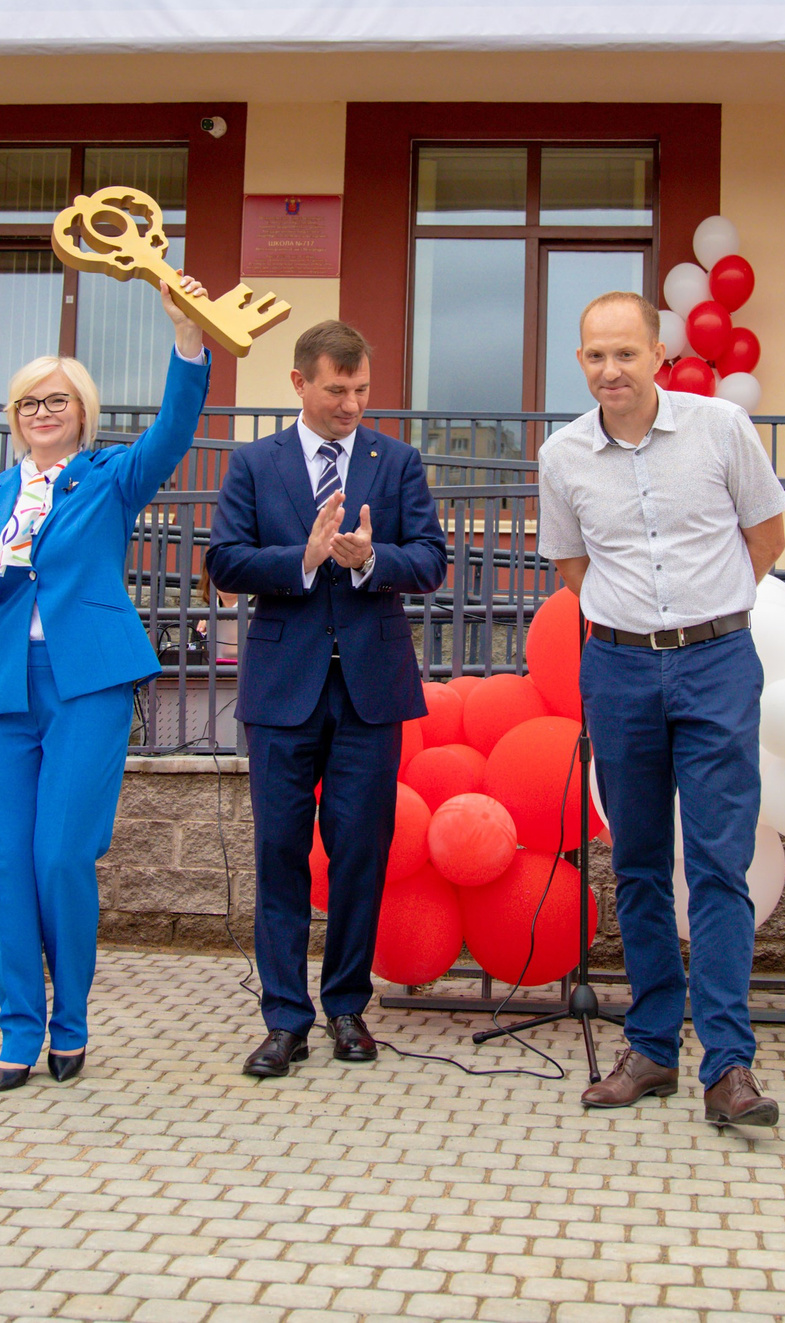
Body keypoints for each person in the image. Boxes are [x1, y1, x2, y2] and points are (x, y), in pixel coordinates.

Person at [0, 276, 212, 1093]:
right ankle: (19, 1029)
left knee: (62, 854)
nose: (42, 413)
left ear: (82, 410)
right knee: (8, 862)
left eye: (56, 400)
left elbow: (173, 432)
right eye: (29, 402)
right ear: (14, 414)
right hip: (4, 683)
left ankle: (72, 1021)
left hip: (88, 678)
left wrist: (187, 342)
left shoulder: (108, 477)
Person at [537, 291, 785, 1129]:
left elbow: (767, 536)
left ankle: (728, 1065)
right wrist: (638, 625)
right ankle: (651, 1049)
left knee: (718, 864)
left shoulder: (721, 428)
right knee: (639, 864)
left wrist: (702, 616)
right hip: (617, 669)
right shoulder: (562, 454)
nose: (611, 371)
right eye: (595, 357)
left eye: (626, 354)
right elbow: (573, 561)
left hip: (718, 661)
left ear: (658, 355)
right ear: (581, 362)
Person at [206, 321, 448, 1078]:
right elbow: (224, 560)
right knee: (279, 854)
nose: (351, 404)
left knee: (359, 854)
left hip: (370, 693)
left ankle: (346, 1006)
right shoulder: (254, 463)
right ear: (300, 383)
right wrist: (304, 558)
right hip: (283, 693)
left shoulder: (397, 461)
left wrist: (372, 557)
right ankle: (285, 1019)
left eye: (362, 390)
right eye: (337, 389)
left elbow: (433, 560)